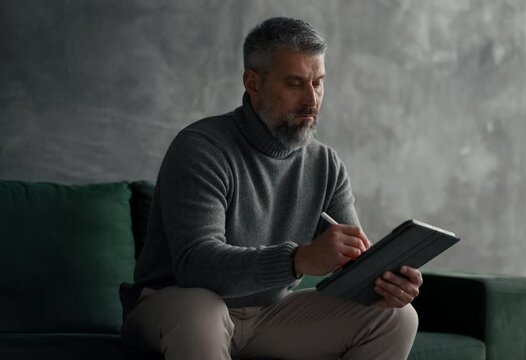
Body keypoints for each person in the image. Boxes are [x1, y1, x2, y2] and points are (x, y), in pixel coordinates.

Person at [120, 16, 422, 360]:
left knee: (396, 316)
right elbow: (196, 266)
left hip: (268, 314)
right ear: (253, 82)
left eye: (318, 82)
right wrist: (298, 259)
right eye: (295, 83)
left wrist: (384, 284)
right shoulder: (201, 147)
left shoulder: (326, 164)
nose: (312, 99)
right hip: (173, 305)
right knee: (201, 308)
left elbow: (352, 266)